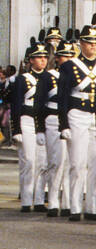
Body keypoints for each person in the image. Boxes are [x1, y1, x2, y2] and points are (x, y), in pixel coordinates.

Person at [58, 16, 96, 222]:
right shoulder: (69, 67)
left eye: (95, 43)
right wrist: (63, 124)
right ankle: (75, 207)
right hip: (76, 114)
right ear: (81, 44)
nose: (93, 46)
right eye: (89, 42)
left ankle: (92, 207)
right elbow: (62, 97)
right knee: (77, 164)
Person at [36, 39, 75, 217]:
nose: (67, 58)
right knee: (56, 162)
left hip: (72, 119)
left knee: (70, 163)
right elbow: (39, 103)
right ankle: (53, 201)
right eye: (63, 55)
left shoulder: (77, 75)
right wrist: (40, 128)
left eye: (70, 55)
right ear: (57, 58)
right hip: (52, 120)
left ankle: (67, 202)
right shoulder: (47, 76)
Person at [10, 39, 50, 211]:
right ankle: (26, 199)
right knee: (28, 161)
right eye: (38, 57)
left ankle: (40, 199)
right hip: (26, 121)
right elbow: (16, 105)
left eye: (44, 57)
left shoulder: (50, 78)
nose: (42, 60)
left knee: (42, 163)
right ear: (31, 60)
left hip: (43, 123)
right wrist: (16, 129)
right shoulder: (22, 79)